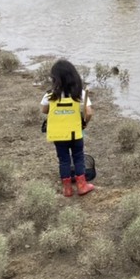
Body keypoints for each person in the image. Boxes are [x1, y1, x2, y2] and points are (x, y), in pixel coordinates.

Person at [41, 59, 94, 197]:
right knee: (78, 157)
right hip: (75, 133)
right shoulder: (80, 94)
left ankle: (67, 189)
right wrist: (85, 122)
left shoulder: (50, 95)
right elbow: (88, 112)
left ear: (55, 79)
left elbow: (44, 110)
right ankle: (82, 186)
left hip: (58, 135)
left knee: (64, 160)